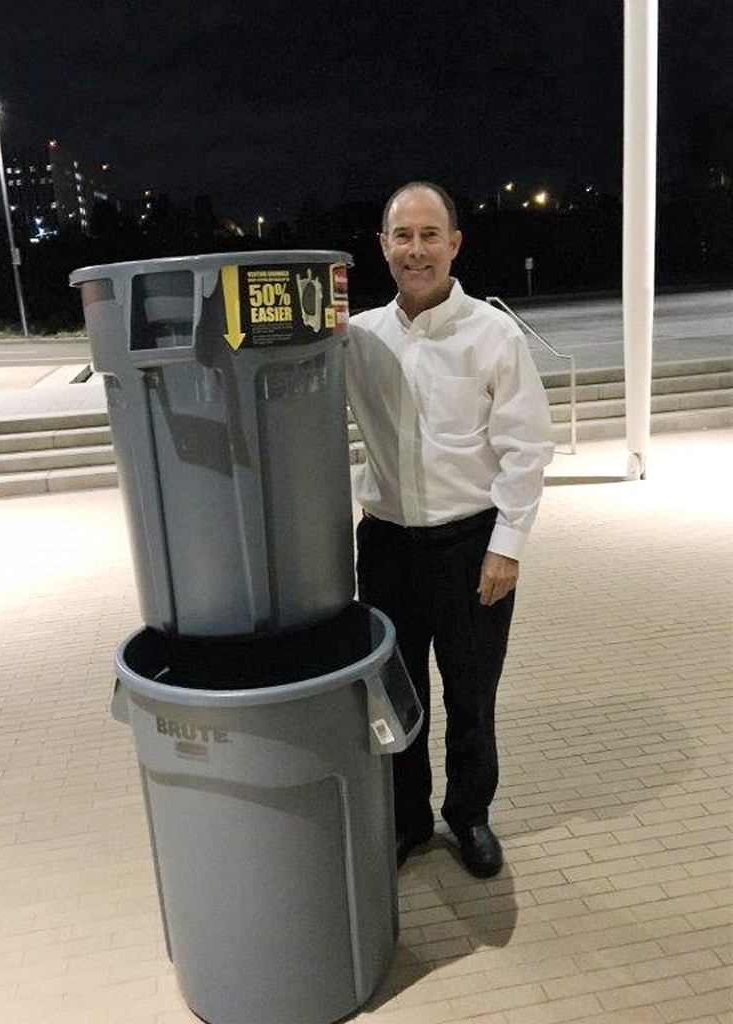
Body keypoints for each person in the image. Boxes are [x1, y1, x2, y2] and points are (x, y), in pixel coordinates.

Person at [345, 182, 554, 876]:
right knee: (397, 695)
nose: (416, 250)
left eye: (430, 235)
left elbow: (528, 447)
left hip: (472, 546)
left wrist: (508, 547)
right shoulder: (359, 338)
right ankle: (408, 820)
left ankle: (469, 814)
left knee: (471, 694)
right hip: (386, 546)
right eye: (402, 236)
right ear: (383, 247)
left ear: (455, 244)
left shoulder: (493, 335)